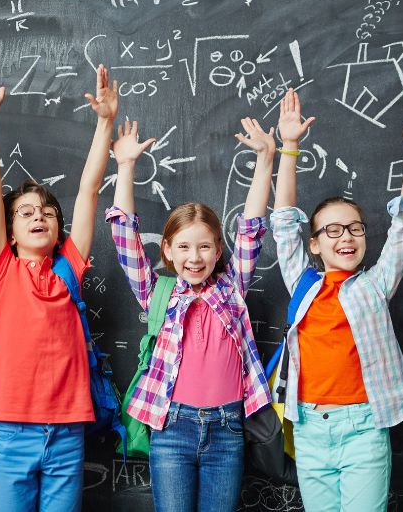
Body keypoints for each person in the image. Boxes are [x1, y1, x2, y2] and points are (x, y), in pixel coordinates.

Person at [106, 117, 274, 512]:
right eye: (183, 247)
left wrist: (266, 158)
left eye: (204, 248)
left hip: (228, 427)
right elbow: (123, 236)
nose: (194, 258)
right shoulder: (158, 291)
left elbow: (251, 229)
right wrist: (126, 167)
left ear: (218, 251)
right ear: (167, 250)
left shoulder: (231, 287)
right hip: (171, 428)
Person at [0, 65, 117, 511]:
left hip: (68, 430)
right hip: (11, 430)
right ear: (10, 232)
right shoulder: (2, 269)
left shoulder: (69, 267)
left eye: (48, 212)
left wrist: (105, 122)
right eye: (27, 212)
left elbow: (89, 191)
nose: (39, 217)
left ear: (58, 229)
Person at [270, 88, 403, 511]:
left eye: (354, 228)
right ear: (315, 244)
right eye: (332, 231)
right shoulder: (303, 283)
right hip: (308, 426)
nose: (346, 238)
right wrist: (289, 147)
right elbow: (284, 223)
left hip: (364, 426)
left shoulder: (374, 285)